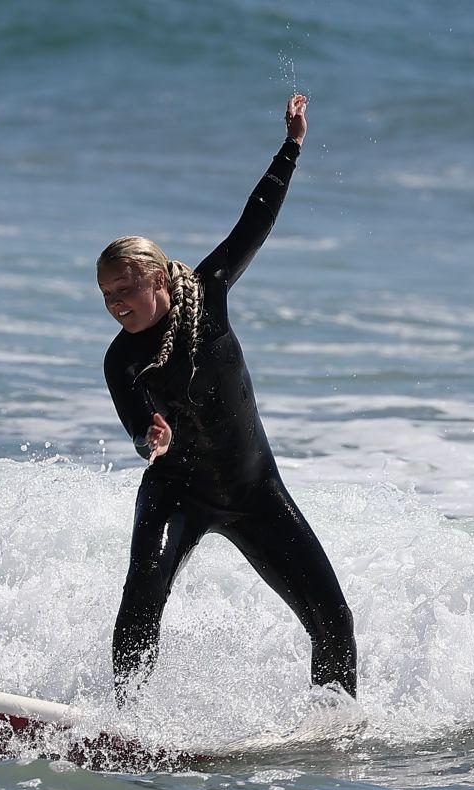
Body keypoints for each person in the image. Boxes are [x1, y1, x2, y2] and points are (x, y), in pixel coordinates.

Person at [98, 94, 357, 708]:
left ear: (158, 281)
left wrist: (291, 145)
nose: (115, 304)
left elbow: (254, 220)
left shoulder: (207, 294)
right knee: (143, 592)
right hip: (178, 492)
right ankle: (125, 723)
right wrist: (148, 438)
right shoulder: (120, 359)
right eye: (106, 295)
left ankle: (333, 732)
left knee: (333, 619)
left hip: (253, 491)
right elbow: (137, 425)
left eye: (125, 290)